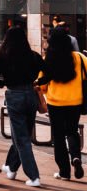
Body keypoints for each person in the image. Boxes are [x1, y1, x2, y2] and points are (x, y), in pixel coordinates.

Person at [0, 26, 45, 187]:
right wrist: (38, 82)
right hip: (31, 95)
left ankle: (33, 176)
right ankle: (11, 168)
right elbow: (48, 71)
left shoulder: (4, 56)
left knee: (21, 138)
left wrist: (5, 83)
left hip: (15, 95)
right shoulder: (33, 55)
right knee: (23, 134)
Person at [37, 28, 86, 181]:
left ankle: (64, 172)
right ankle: (76, 157)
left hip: (55, 102)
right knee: (72, 130)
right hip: (75, 101)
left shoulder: (48, 59)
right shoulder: (79, 57)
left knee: (58, 136)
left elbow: (42, 86)